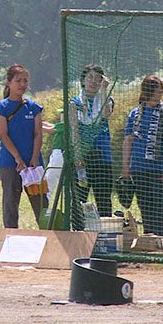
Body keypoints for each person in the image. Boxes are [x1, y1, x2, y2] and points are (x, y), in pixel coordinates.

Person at [122, 76, 163, 239]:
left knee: (162, 206)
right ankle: (150, 237)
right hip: (139, 169)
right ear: (147, 92)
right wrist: (125, 167)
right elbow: (128, 140)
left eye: (161, 90)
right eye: (156, 91)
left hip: (162, 168)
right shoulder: (135, 113)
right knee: (145, 205)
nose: (159, 94)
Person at [0, 64, 47, 228]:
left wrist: (33, 157)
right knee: (10, 205)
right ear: (9, 83)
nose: (22, 84)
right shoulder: (1, 107)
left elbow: (38, 133)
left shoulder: (33, 107)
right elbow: (3, 134)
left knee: (41, 205)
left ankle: (48, 235)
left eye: (25, 81)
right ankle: (10, 239)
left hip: (33, 165)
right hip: (10, 164)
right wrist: (18, 158)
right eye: (18, 80)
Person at [69, 64, 115, 230]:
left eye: (98, 78)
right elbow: (74, 129)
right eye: (90, 77)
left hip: (102, 156)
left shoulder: (106, 100)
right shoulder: (74, 103)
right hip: (82, 158)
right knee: (80, 198)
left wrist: (103, 90)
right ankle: (79, 232)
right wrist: (78, 155)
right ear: (83, 80)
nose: (93, 81)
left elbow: (105, 114)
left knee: (103, 198)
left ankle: (105, 236)